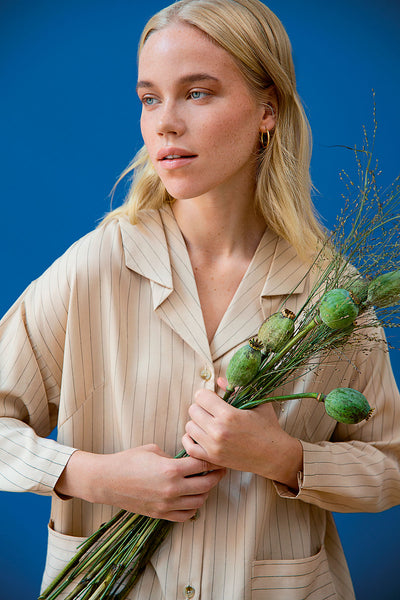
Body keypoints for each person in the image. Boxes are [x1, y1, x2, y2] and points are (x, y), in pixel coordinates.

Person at [0, 1, 399, 598]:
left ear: (267, 110)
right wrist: (93, 476)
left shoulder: (331, 295)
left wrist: (284, 458)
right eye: (150, 98)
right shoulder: (97, 266)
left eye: (197, 93)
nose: (165, 123)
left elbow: (391, 465)